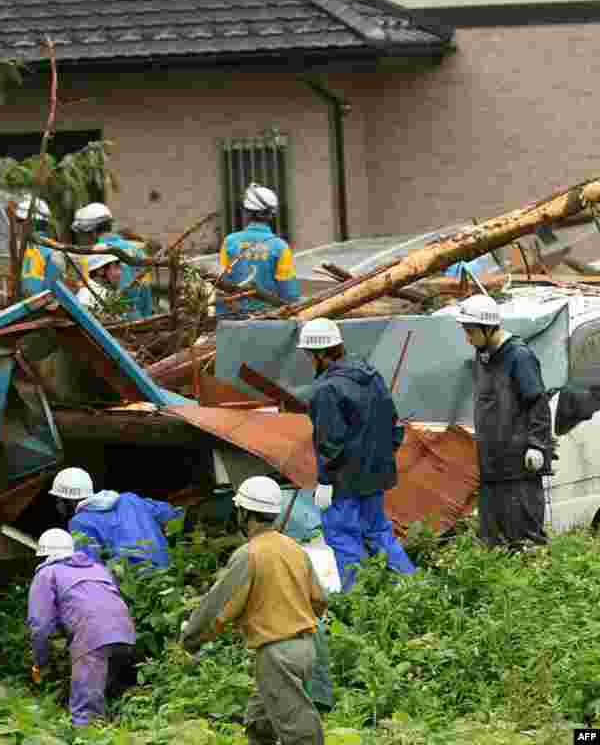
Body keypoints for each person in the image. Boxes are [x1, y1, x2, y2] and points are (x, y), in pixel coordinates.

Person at [180, 476, 327, 745]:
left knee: (299, 731)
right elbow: (319, 599)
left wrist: (192, 638)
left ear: (245, 513)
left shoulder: (250, 554)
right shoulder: (294, 548)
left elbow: (219, 608)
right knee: (260, 724)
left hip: (277, 652)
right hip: (307, 647)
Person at [297, 317, 416, 591]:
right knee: (379, 532)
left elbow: (331, 441)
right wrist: (381, 459)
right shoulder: (371, 375)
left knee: (343, 537)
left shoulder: (325, 389)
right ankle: (412, 587)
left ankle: (359, 599)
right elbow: (393, 424)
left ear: (319, 354)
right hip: (375, 476)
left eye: (308, 356)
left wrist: (325, 480)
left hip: (343, 482)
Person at [454, 293, 552, 549]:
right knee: (492, 540)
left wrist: (537, 445)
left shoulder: (519, 357)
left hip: (519, 465)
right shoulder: (482, 355)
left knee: (525, 539)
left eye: (470, 331)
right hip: (491, 465)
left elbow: (537, 403)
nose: (467, 338)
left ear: (488, 327)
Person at [27, 528, 136, 728]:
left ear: (44, 555)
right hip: (125, 632)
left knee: (86, 713)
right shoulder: (97, 567)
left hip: (93, 635)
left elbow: (40, 626)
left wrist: (39, 662)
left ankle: (87, 736)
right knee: (106, 693)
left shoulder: (47, 573)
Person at [50, 467, 183, 569]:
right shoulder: (130, 499)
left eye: (58, 501)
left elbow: (89, 568)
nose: (57, 506)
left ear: (70, 501)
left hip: (136, 588)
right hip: (168, 572)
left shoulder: (79, 523)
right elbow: (171, 514)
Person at [215, 184, 299, 315]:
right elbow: (289, 293)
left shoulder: (230, 242)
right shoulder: (280, 247)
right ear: (271, 215)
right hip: (269, 321)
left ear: (246, 212)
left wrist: (221, 319)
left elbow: (221, 285)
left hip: (232, 318)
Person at [71, 203, 153, 318]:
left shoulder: (94, 255)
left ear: (93, 232)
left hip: (109, 324)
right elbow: (146, 296)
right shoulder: (139, 252)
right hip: (139, 322)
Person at [18, 194, 67, 298]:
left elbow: (51, 296)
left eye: (21, 221)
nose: (18, 226)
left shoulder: (53, 252)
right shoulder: (23, 249)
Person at [76, 253, 133, 317]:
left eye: (120, 268)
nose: (120, 272)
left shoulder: (109, 292)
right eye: (116, 267)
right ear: (100, 271)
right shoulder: (86, 296)